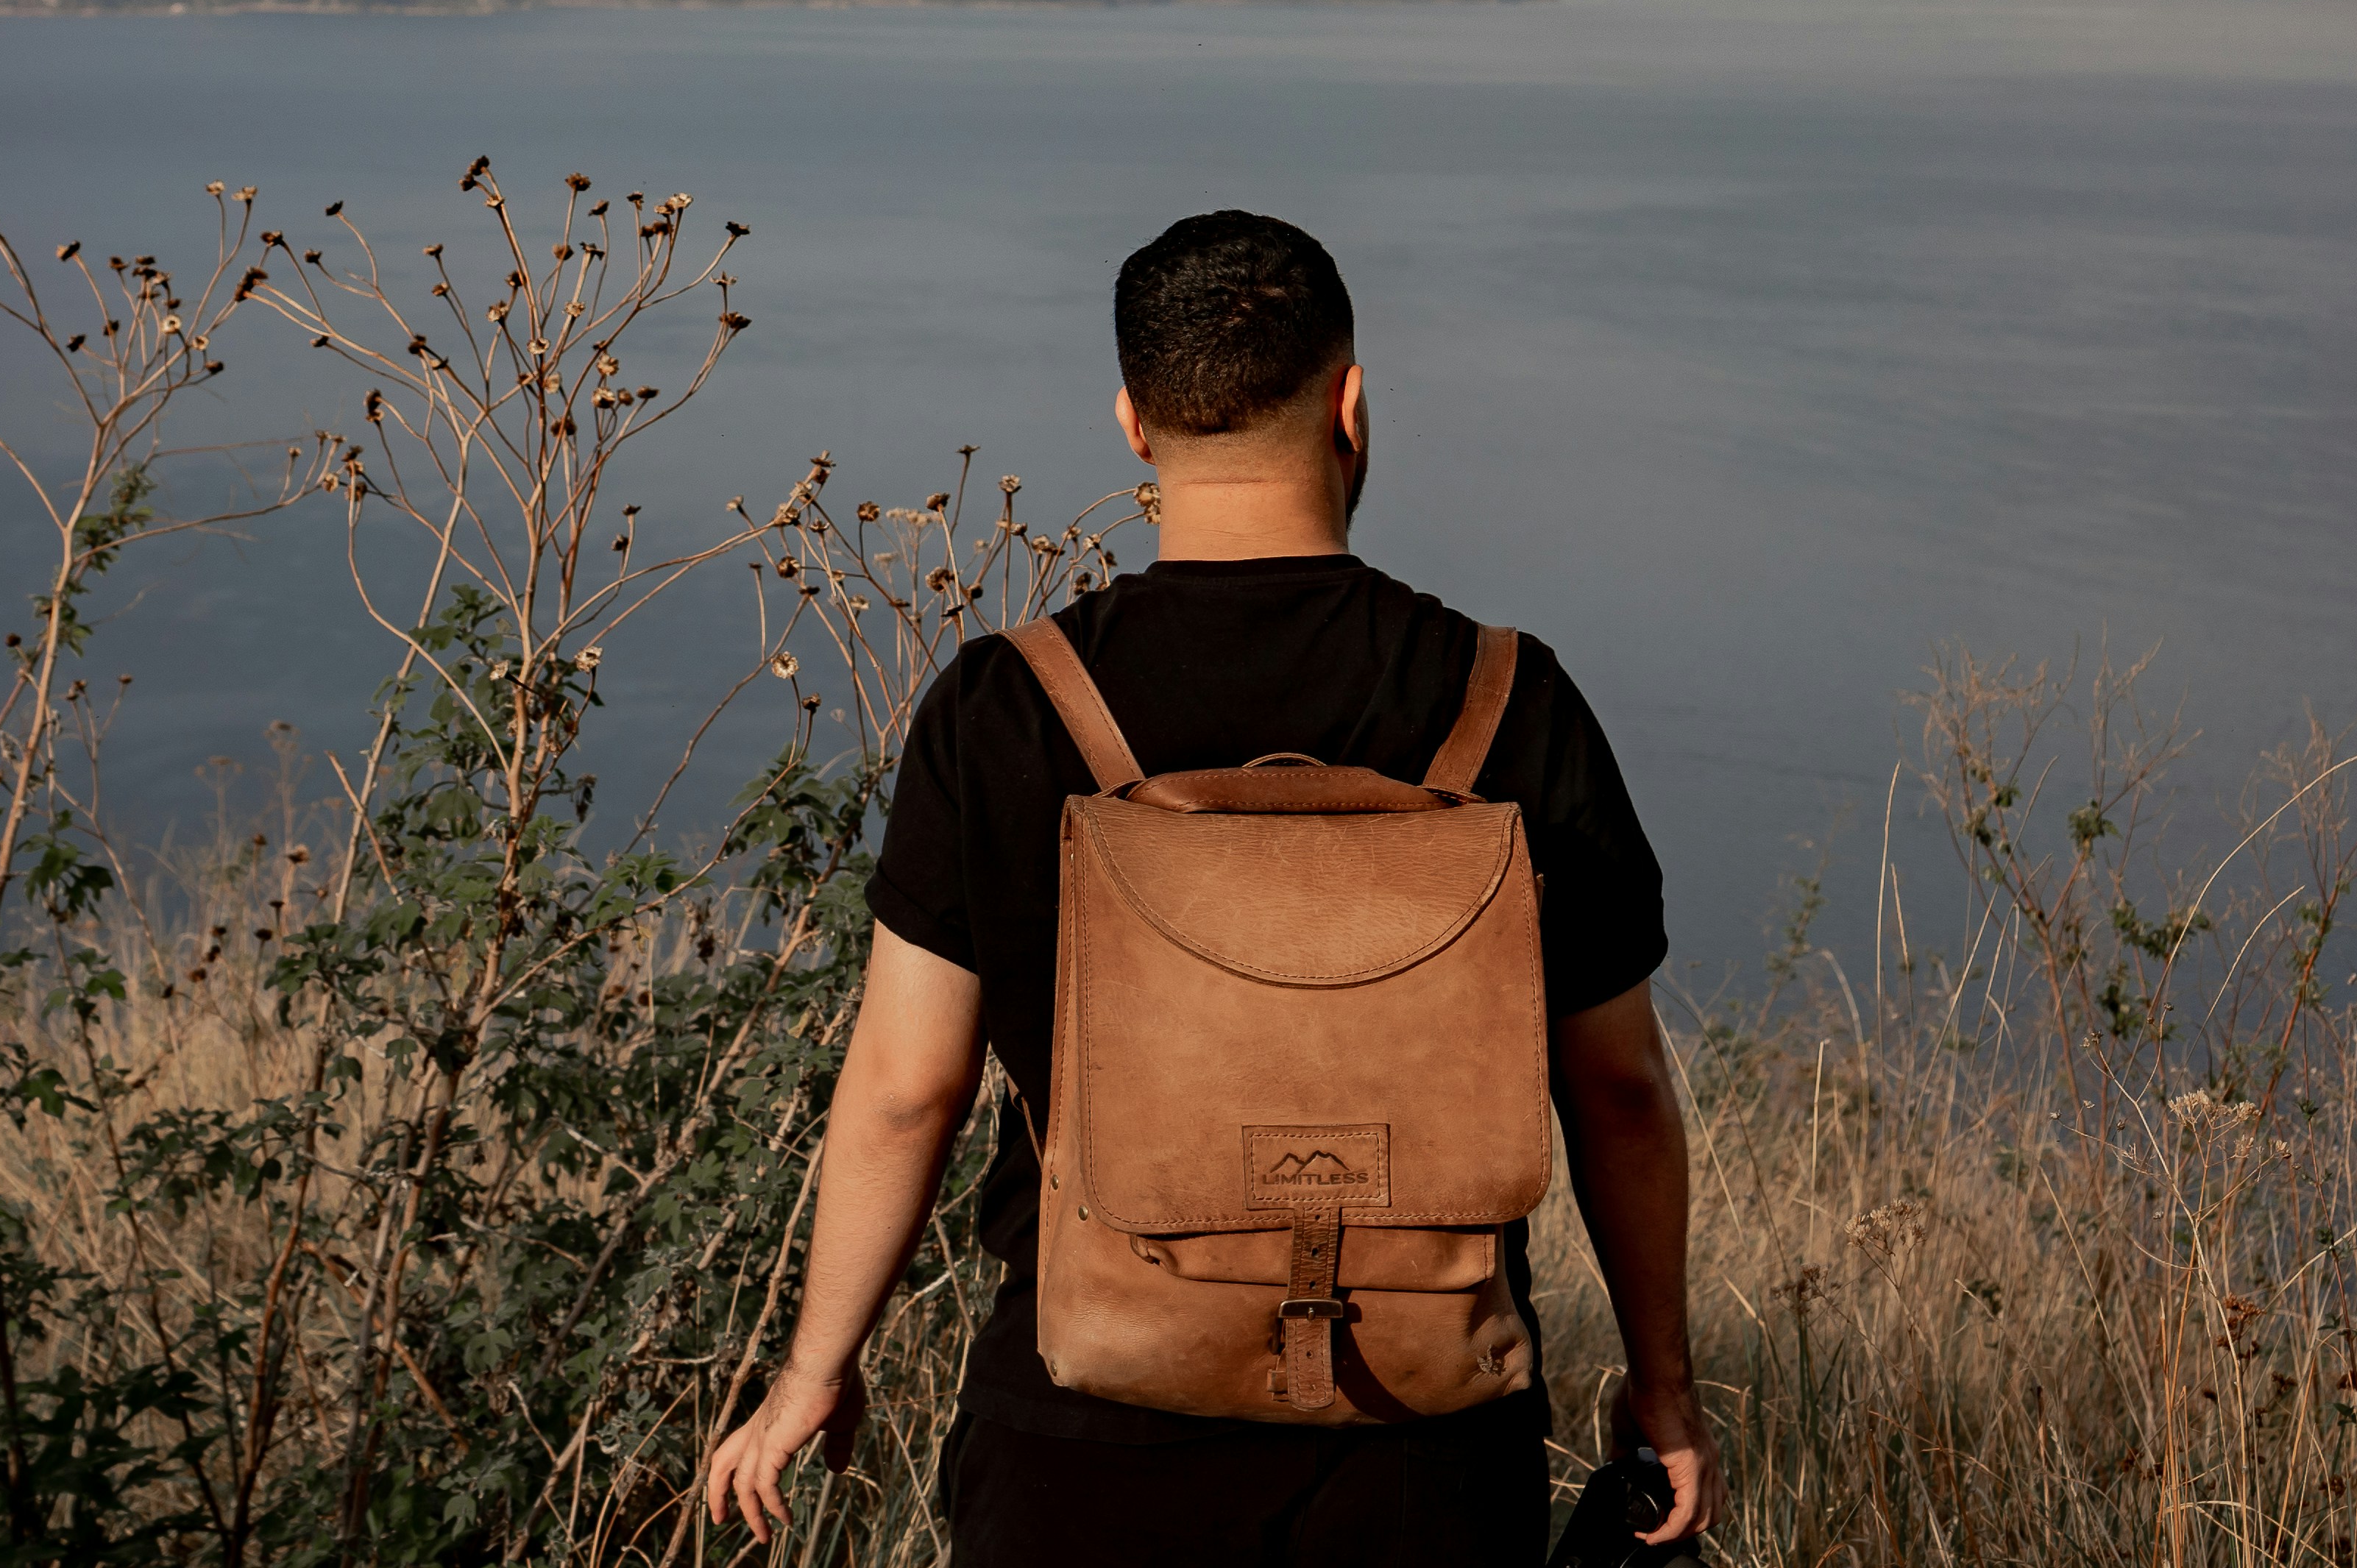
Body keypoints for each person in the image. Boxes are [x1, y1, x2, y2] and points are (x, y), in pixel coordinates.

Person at [701, 210, 1717, 1564]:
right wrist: (1662, 1392)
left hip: (1082, 1429)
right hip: (1422, 1448)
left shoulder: (1007, 708)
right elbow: (1621, 1091)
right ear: (1352, 406)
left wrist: (816, 1368)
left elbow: (904, 1087)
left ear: (1134, 422)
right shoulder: (1506, 701)